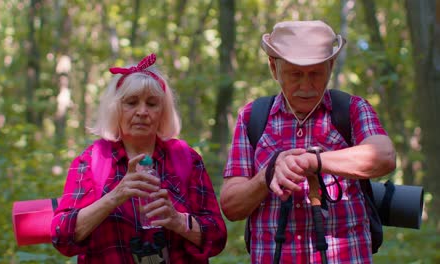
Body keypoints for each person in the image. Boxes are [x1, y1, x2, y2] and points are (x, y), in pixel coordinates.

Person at [220, 20, 396, 263]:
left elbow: (384, 156)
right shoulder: (252, 117)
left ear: (331, 66)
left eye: (315, 73)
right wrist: (269, 173)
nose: (306, 85)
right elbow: (231, 206)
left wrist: (314, 161)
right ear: (274, 68)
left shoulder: (352, 110)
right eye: (295, 74)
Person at [51, 53, 227, 263]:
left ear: (163, 111)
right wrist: (116, 196)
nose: (142, 112)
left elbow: (217, 237)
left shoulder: (185, 158)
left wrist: (179, 221)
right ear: (115, 108)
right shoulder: (92, 160)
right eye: (131, 102)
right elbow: (61, 235)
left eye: (152, 104)